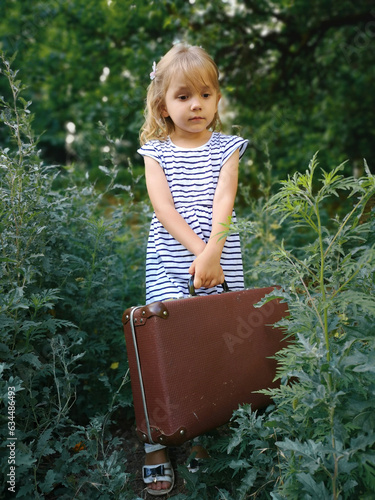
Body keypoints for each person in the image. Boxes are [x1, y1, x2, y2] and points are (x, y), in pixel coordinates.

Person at [137, 42, 248, 496]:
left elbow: (225, 200)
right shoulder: (155, 151)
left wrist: (213, 254)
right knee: (165, 347)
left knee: (211, 346)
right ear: (163, 104)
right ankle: (156, 441)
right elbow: (163, 208)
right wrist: (198, 254)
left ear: (218, 99)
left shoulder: (228, 148)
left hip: (220, 259)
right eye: (183, 96)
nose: (195, 104)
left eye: (205, 94)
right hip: (172, 259)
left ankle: (198, 433)